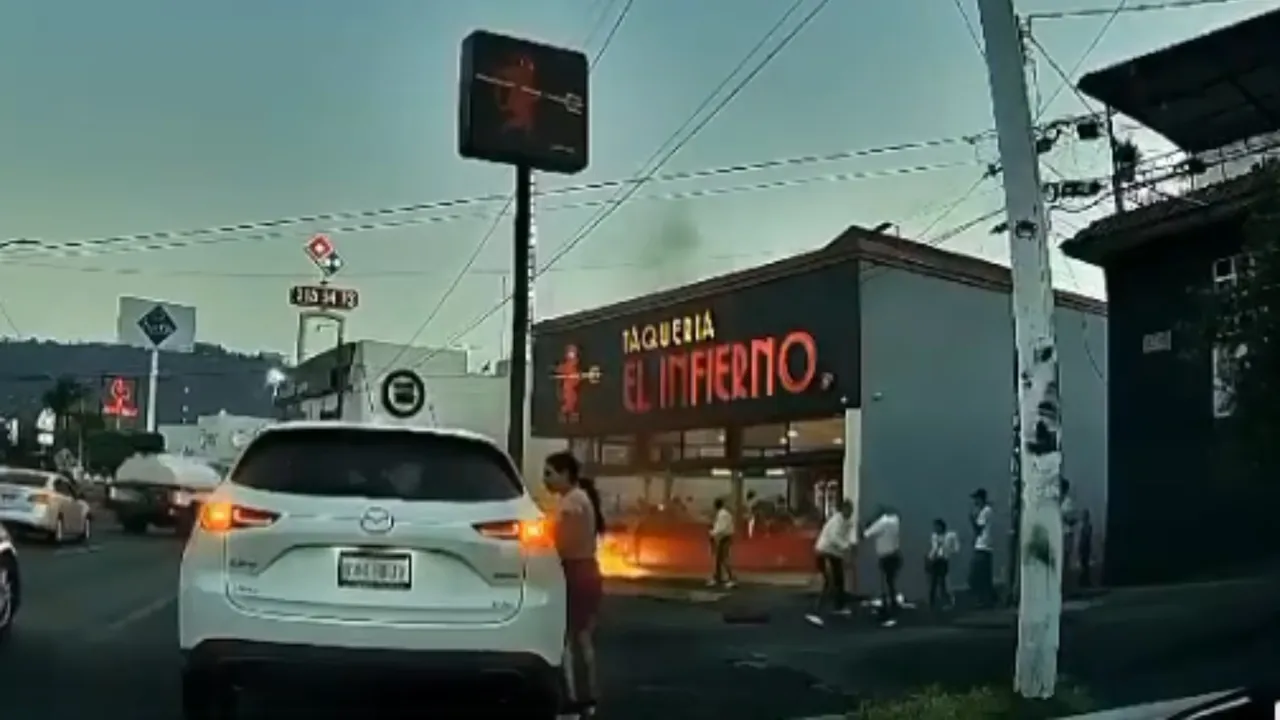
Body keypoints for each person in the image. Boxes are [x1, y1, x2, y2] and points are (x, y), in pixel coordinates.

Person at [544, 451, 605, 717]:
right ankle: (586, 699)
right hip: (587, 572)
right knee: (581, 638)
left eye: (549, 473)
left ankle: (574, 700)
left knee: (570, 639)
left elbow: (556, 542)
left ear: (565, 474)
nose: (544, 480)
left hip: (574, 574)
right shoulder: (580, 500)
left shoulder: (571, 504)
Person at [805, 499, 855, 626]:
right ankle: (818, 608)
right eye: (848, 510)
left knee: (839, 579)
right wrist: (846, 546)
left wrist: (848, 545)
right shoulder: (836, 521)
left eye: (851, 510)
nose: (850, 512)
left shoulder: (847, 522)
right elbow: (834, 537)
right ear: (842, 509)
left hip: (835, 553)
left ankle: (839, 606)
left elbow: (845, 537)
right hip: (824, 551)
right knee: (830, 580)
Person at [863, 505, 902, 627]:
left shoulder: (882, 522)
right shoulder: (895, 520)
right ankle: (893, 603)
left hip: (885, 556)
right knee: (891, 582)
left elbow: (866, 534)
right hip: (895, 554)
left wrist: (869, 523)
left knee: (884, 583)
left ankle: (886, 608)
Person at [968, 488, 996, 608]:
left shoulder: (986, 511)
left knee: (976, 576)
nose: (974, 501)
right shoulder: (984, 511)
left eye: (976, 499)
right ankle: (987, 600)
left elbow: (979, 529)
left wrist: (972, 519)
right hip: (982, 546)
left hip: (983, 547)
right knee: (983, 576)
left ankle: (985, 600)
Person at [926, 518, 960, 610]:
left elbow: (956, 549)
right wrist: (930, 558)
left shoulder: (950, 536)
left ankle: (948, 601)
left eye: (937, 526)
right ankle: (932, 602)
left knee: (943, 582)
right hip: (935, 560)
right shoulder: (934, 536)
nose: (935, 529)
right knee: (933, 582)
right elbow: (933, 549)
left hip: (944, 560)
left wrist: (948, 551)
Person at [707, 497, 737, 588]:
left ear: (715, 506)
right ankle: (717, 578)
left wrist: (712, 533)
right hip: (723, 538)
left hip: (724, 538)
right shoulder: (723, 514)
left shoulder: (722, 515)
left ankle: (732, 579)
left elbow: (721, 528)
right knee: (718, 559)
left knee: (724, 558)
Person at [1060, 478, 1080, 593]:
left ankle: (1065, 587)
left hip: (1066, 535)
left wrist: (1064, 517)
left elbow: (1072, 519)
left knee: (1065, 561)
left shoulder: (1068, 502)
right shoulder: (1055, 501)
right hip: (1057, 535)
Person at [1077, 509, 1094, 589]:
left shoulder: (1086, 526)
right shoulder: (1085, 526)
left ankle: (1083, 581)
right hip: (1084, 548)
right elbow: (1084, 538)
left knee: (1085, 565)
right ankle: (1083, 581)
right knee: (1084, 565)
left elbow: (1085, 538)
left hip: (1085, 548)